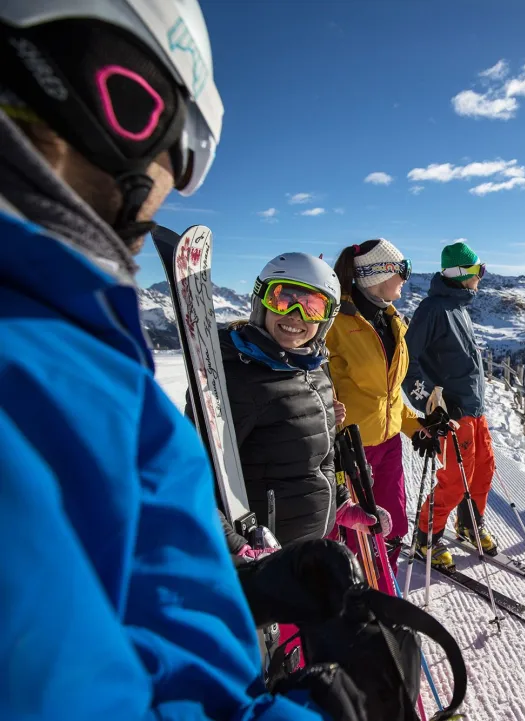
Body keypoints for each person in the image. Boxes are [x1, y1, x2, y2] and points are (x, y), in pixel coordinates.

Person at [0, 2, 368, 718]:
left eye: (311, 310)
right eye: (284, 303)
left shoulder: (80, 342)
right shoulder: (44, 362)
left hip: (278, 563)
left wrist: (239, 583)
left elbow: (132, 570)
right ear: (127, 108)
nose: (295, 321)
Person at [221, 251, 388, 546]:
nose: (295, 315)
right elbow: (194, 480)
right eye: (283, 299)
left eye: (313, 307)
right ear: (261, 303)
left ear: (326, 319)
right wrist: (237, 549)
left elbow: (321, 460)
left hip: (309, 549)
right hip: (262, 562)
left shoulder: (315, 371)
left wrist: (341, 505)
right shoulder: (234, 377)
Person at [327, 239, 441, 569]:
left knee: (390, 529)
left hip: (388, 446)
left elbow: (390, 397)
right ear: (378, 273)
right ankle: (355, 599)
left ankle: (386, 593)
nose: (407, 277)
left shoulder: (393, 322)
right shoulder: (335, 324)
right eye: (403, 269)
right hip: (350, 448)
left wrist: (415, 428)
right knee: (354, 534)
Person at [404, 241, 499, 570]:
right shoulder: (432, 310)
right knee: (456, 479)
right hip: (454, 414)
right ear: (461, 274)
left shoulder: (460, 308)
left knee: (483, 470)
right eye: (478, 271)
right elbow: (407, 363)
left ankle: (469, 524)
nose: (482, 277)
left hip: (475, 410)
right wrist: (431, 405)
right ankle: (425, 537)